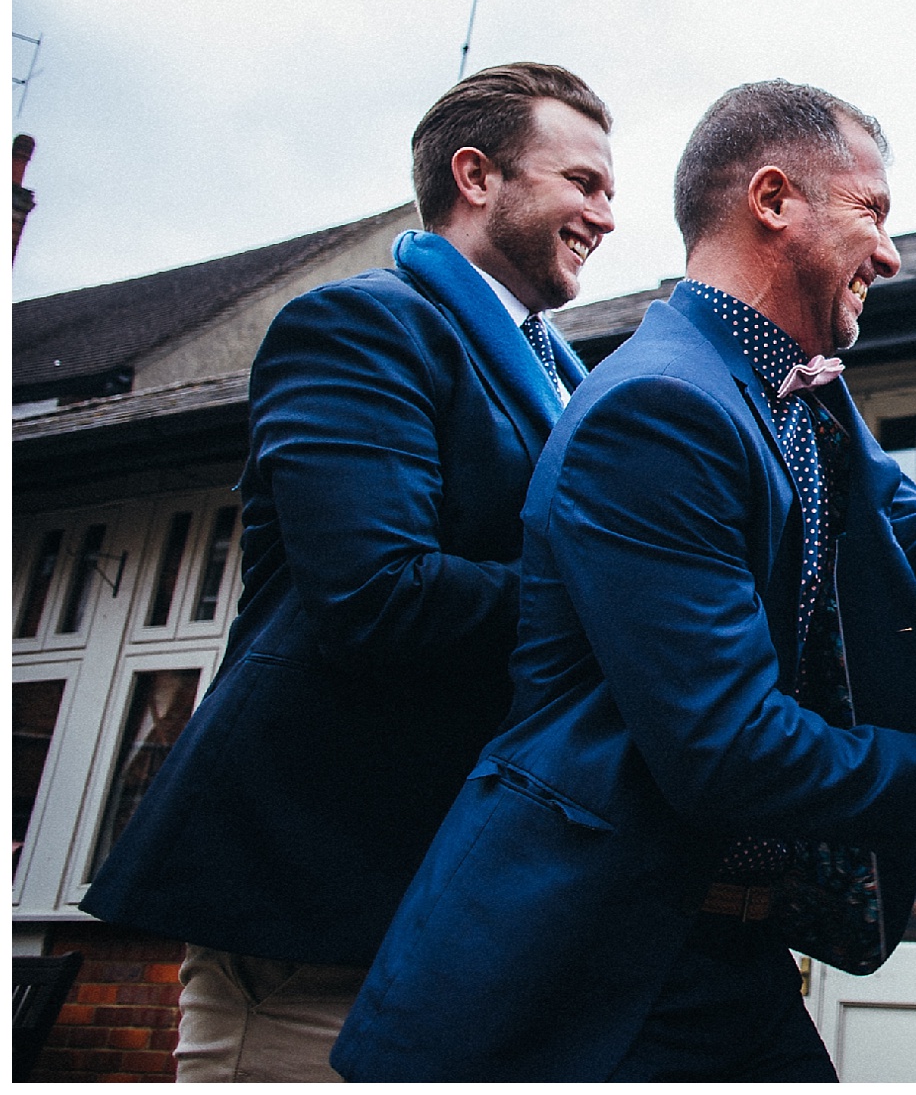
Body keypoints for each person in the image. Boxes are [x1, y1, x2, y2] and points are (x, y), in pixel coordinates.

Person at [331, 81, 916, 1081]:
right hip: (585, 970)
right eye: (873, 212)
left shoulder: (808, 388)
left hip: (719, 954)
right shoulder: (658, 408)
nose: (891, 253)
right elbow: (725, 746)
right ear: (774, 200)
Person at [81, 63, 617, 1081]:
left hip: (444, 894)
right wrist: (627, 608)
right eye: (583, 182)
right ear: (477, 176)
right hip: (313, 893)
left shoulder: (562, 372)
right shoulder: (362, 327)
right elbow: (380, 594)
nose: (604, 214)